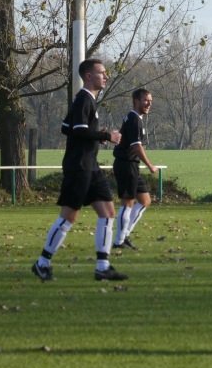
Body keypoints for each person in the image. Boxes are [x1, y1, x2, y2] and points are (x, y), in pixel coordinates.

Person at [31, 58, 128, 282]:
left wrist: (95, 134)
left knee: (108, 212)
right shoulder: (84, 98)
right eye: (102, 73)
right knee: (69, 216)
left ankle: (102, 267)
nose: (106, 76)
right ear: (88, 76)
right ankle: (42, 263)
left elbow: (68, 128)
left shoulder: (87, 101)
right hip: (79, 167)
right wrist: (106, 135)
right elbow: (78, 129)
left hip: (91, 166)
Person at [112, 88, 157, 250]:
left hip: (131, 165)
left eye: (150, 101)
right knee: (127, 203)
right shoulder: (134, 119)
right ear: (136, 101)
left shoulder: (135, 118)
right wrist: (150, 164)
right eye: (145, 100)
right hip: (126, 164)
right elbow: (136, 146)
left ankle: (124, 236)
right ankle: (119, 241)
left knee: (145, 201)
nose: (149, 104)